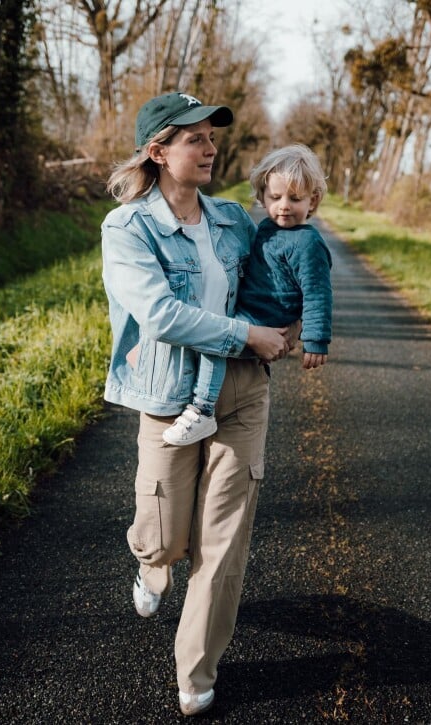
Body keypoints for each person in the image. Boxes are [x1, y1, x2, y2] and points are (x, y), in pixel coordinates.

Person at [101, 91, 296, 717]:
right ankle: (150, 568)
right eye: (195, 138)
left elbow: (281, 272)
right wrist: (246, 332)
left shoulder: (235, 218)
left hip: (242, 394)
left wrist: (298, 326)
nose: (210, 147)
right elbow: (159, 314)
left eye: (212, 136)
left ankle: (196, 670)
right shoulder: (127, 228)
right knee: (163, 538)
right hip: (167, 397)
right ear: (158, 152)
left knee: (223, 544)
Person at [163, 143, 333, 446]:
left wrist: (315, 340)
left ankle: (202, 409)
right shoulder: (267, 228)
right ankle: (202, 401)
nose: (284, 206)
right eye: (275, 197)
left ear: (313, 200)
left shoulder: (308, 244)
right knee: (215, 331)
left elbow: (317, 293)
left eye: (295, 199)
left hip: (268, 315)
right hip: (251, 307)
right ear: (261, 197)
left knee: (217, 339)